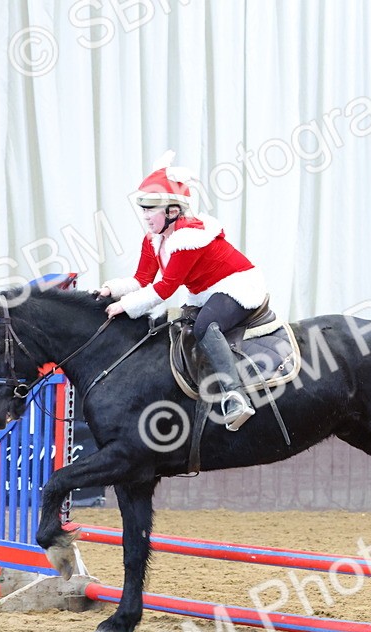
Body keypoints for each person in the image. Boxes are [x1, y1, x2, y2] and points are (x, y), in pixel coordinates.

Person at [98, 151, 266, 430]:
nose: (145, 216)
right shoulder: (154, 239)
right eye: (143, 209)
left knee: (204, 327)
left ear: (173, 211)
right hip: (206, 291)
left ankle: (235, 396)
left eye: (151, 209)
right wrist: (110, 290)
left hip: (237, 285)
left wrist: (124, 306)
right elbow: (142, 278)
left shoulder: (189, 237)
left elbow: (164, 289)